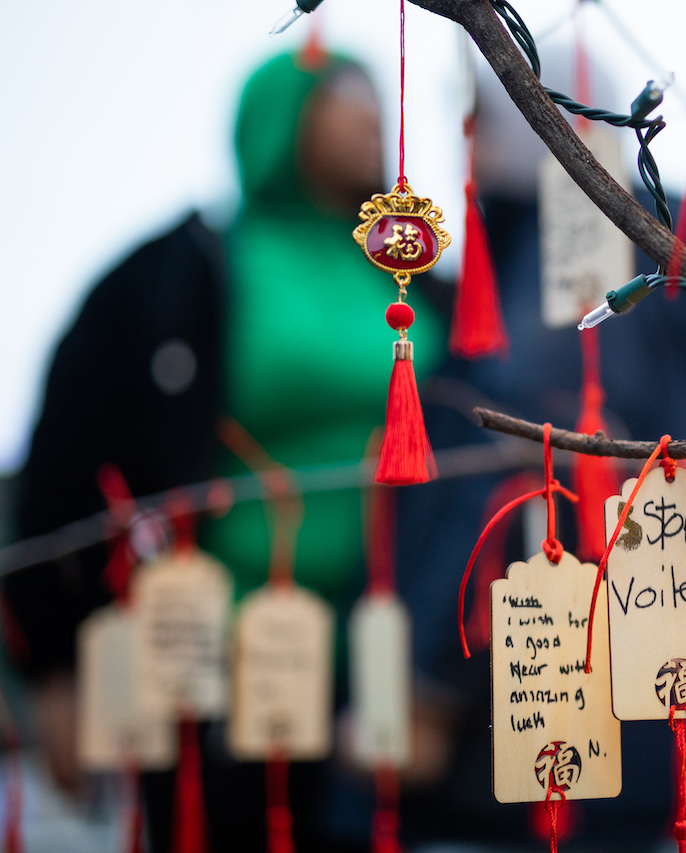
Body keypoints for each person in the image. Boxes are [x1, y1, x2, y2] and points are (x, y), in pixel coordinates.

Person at [3, 46, 448, 852]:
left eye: (375, 91)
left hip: (392, 663)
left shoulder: (416, 274)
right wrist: (56, 667)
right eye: (344, 92)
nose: (372, 111)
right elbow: (67, 454)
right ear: (278, 119)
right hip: (215, 658)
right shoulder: (178, 271)